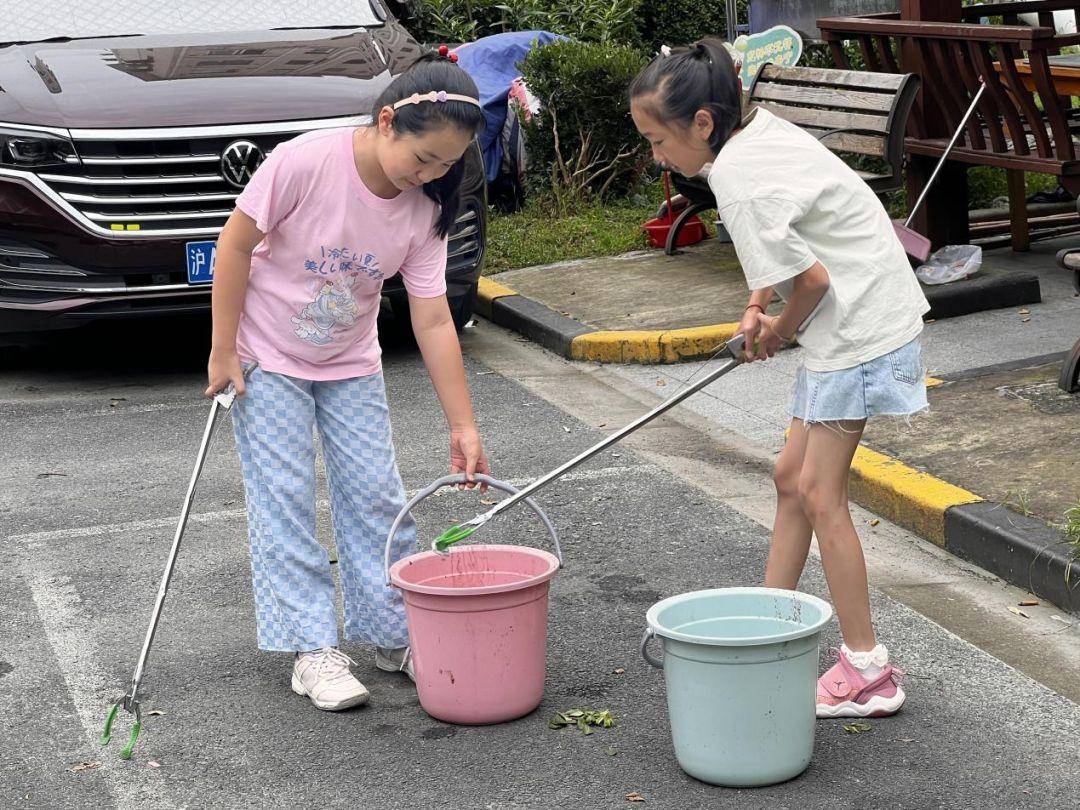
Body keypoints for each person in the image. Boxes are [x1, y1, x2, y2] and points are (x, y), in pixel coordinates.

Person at [630, 40, 929, 718]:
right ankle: (771, 629)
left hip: (856, 330)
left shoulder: (736, 176)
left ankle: (868, 670)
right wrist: (758, 307)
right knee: (790, 478)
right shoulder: (754, 132)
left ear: (701, 124)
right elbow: (789, 245)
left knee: (821, 493)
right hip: (853, 315)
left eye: (656, 140)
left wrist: (780, 327)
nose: (655, 156)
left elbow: (814, 282)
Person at [206, 49, 489, 711]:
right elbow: (235, 245)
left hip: (350, 360)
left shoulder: (428, 208)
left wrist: (463, 423)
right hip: (267, 355)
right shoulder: (306, 161)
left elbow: (434, 317)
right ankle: (312, 648)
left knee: (375, 497)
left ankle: (392, 634)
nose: (433, 175)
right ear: (386, 122)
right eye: (424, 160)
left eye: (448, 165)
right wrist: (223, 350)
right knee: (285, 497)